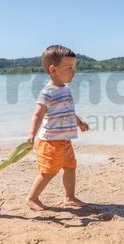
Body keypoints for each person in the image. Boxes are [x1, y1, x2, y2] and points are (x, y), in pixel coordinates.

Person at [26, 45, 89, 211]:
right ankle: (32, 198)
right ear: (53, 69)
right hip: (51, 142)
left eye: (74, 67)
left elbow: (67, 111)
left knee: (70, 167)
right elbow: (37, 115)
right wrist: (32, 133)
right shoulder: (47, 92)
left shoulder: (65, 90)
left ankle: (69, 197)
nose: (73, 71)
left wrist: (79, 122)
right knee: (48, 171)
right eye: (69, 68)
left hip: (65, 141)